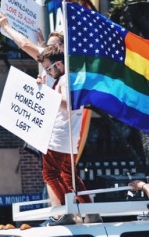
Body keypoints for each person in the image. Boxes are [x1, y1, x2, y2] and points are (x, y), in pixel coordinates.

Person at [36, 45, 93, 226]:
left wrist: (45, 92)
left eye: (48, 68)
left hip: (60, 137)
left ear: (59, 64)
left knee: (50, 173)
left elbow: (67, 104)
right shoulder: (71, 78)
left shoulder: (65, 80)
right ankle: (90, 211)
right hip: (69, 138)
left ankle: (64, 211)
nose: (48, 71)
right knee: (70, 177)